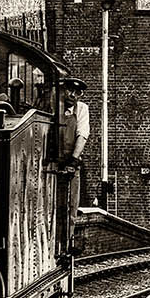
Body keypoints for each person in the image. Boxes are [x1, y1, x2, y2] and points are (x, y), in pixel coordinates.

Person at [60, 78, 91, 222]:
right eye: (70, 90)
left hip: (70, 161)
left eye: (77, 93)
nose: (72, 95)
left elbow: (82, 135)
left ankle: (69, 231)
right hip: (53, 160)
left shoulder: (81, 109)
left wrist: (73, 160)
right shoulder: (53, 106)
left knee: (71, 206)